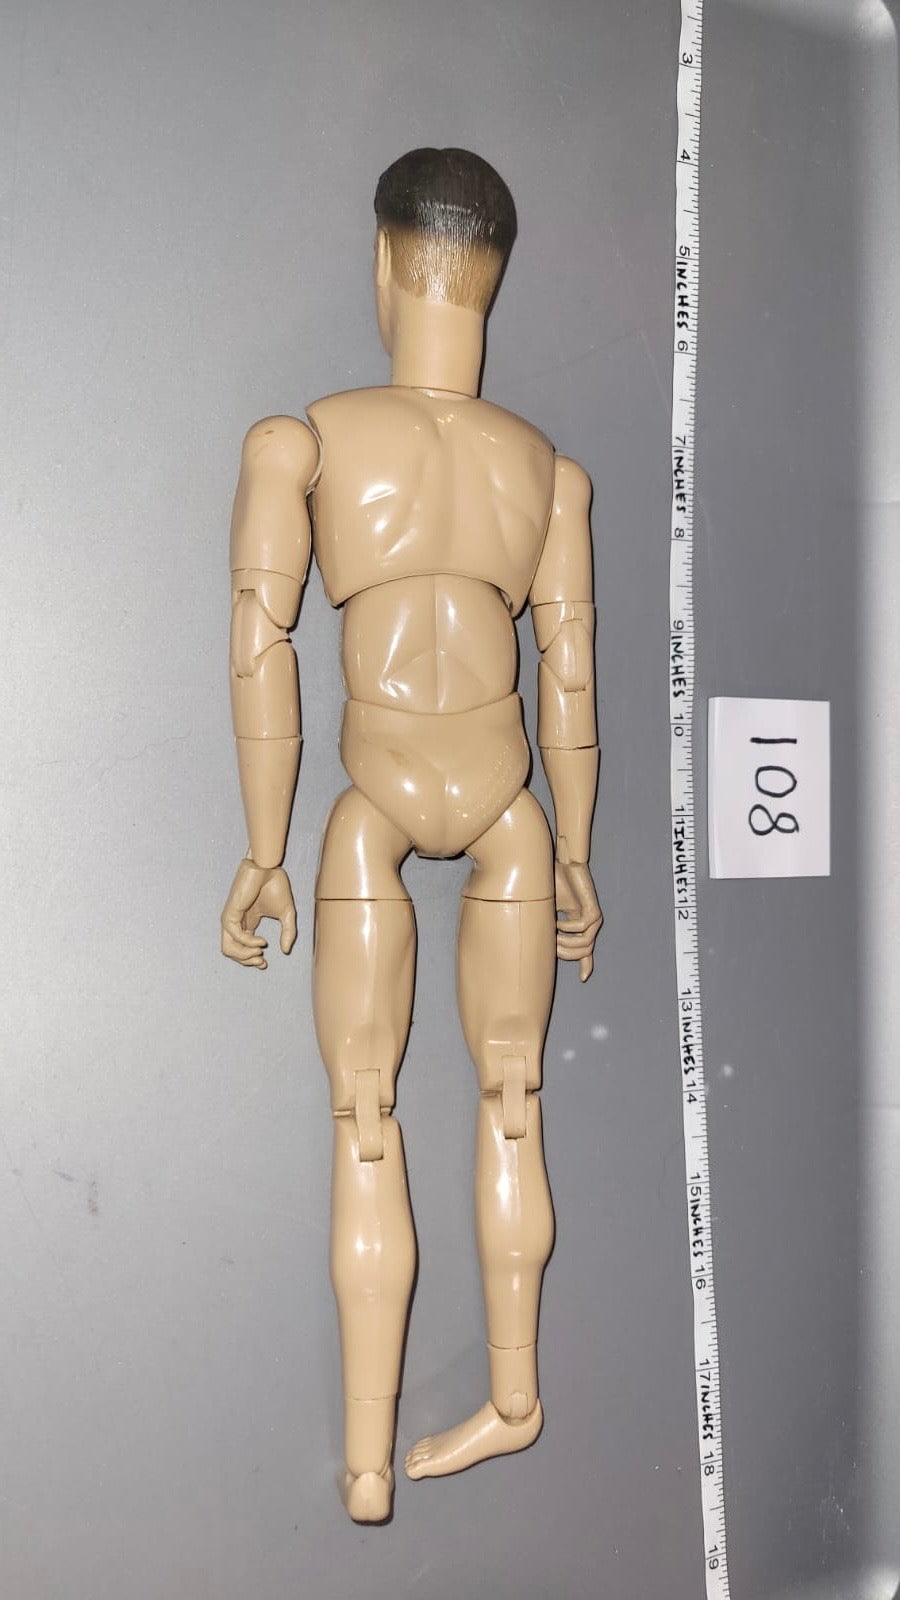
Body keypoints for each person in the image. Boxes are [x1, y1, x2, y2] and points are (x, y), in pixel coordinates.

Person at [221, 148, 602, 1523]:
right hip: (509, 809)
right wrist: (575, 854)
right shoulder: (549, 475)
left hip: (373, 805)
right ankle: (513, 1398)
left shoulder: (305, 443)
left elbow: (261, 649)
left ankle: (372, 1462)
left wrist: (265, 849)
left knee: (364, 1119)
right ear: (489, 279)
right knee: (515, 1099)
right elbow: (571, 682)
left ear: (385, 266)